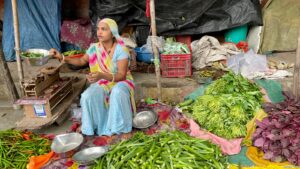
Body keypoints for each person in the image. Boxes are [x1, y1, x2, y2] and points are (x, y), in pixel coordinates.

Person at [49, 18, 135, 136]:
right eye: (98, 29)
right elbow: (81, 61)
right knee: (87, 96)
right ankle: (93, 125)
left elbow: (121, 75)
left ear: (113, 32)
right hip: (103, 81)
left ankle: (120, 128)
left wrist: (101, 75)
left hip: (121, 81)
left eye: (103, 29)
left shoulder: (121, 49)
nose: (99, 32)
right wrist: (62, 57)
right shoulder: (94, 48)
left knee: (117, 92)